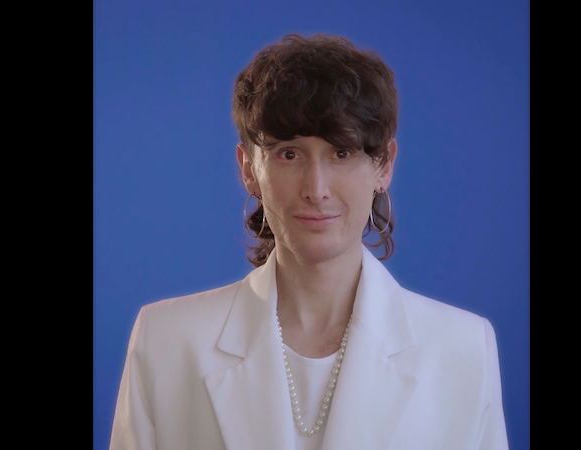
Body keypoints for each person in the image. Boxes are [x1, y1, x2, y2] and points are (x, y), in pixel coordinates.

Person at [110, 34, 508, 450]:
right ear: (249, 168)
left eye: (341, 153)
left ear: (384, 165)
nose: (316, 190)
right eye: (288, 154)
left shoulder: (462, 350)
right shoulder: (166, 341)